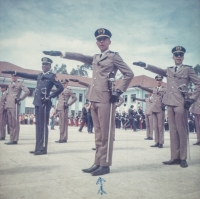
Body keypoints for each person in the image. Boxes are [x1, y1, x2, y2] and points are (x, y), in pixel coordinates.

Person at [43, 28, 134, 175]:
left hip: (106, 98)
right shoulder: (95, 57)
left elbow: (129, 74)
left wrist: (118, 91)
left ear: (109, 41)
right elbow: (79, 56)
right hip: (93, 98)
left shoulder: (114, 57)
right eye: (99, 39)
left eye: (104, 38)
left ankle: (105, 165)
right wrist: (61, 53)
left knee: (105, 133)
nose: (101, 41)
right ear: (96, 42)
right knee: (97, 133)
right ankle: (97, 162)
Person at [133, 46, 200, 168]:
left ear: (183, 57)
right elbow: (157, 70)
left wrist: (191, 99)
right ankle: (174, 157)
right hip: (169, 102)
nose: (178, 57)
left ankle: (183, 158)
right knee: (173, 131)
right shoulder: (169, 70)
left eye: (180, 54)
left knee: (182, 130)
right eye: (176, 55)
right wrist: (145, 65)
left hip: (181, 103)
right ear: (173, 57)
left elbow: (198, 83)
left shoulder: (188, 70)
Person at [2, 57, 63, 155]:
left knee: (43, 126)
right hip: (37, 102)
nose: (44, 66)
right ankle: (37, 148)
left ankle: (43, 149)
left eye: (46, 64)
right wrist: (15, 72)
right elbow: (27, 75)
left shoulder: (52, 76)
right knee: (38, 126)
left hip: (45, 103)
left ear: (50, 66)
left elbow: (60, 88)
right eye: (43, 64)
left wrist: (50, 96)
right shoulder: (39, 75)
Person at [4, 74, 30, 144]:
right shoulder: (9, 84)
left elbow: (27, 91)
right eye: (12, 76)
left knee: (15, 123)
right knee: (10, 123)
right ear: (11, 77)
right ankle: (11, 139)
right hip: (9, 105)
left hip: (15, 104)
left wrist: (20, 98)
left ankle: (15, 139)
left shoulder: (20, 84)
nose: (13, 77)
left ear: (17, 77)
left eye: (15, 76)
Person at [56, 79, 77, 143]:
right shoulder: (60, 90)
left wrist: (69, 104)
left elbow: (75, 98)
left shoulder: (68, 91)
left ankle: (64, 138)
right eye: (62, 83)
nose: (63, 84)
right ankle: (60, 137)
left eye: (64, 83)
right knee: (61, 124)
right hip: (60, 107)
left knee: (64, 123)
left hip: (64, 108)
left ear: (67, 84)